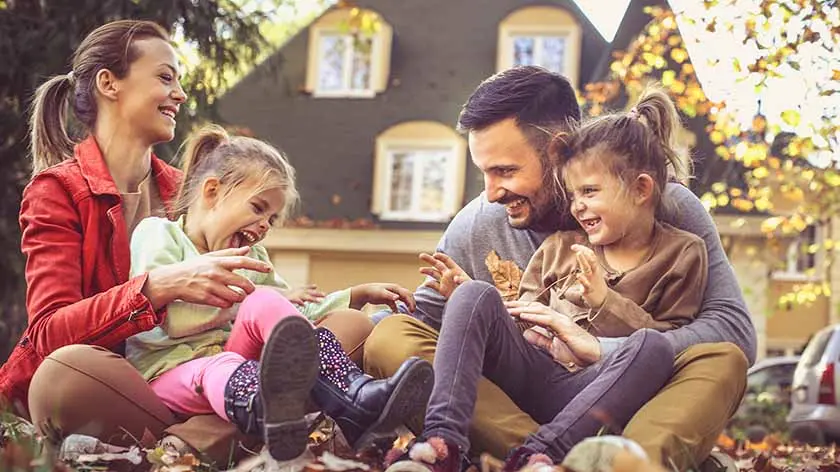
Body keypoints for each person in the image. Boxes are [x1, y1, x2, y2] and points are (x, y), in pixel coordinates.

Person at [0, 20, 372, 462]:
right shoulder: (58, 191)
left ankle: (185, 447)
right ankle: (220, 436)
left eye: (179, 81)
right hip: (125, 385)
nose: (180, 94)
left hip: (223, 369)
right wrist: (159, 286)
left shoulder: (193, 191)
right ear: (108, 84)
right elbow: (48, 334)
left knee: (351, 328)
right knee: (62, 373)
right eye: (165, 77)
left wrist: (341, 297)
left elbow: (262, 299)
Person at [364, 66, 755, 470]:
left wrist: (602, 349)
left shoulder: (661, 208)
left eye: (505, 171)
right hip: (521, 395)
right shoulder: (479, 222)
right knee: (390, 337)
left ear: (557, 150)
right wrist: (340, 331)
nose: (491, 192)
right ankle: (550, 459)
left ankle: (624, 462)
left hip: (624, 395)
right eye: (485, 172)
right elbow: (424, 321)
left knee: (722, 360)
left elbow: (733, 330)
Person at [125, 124, 433, 460]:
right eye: (258, 209)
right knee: (222, 362)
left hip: (241, 366)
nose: (263, 226)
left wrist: (354, 295)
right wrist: (238, 304)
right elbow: (172, 319)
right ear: (212, 191)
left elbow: (294, 318)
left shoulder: (252, 256)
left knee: (266, 300)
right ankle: (272, 413)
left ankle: (352, 396)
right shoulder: (160, 235)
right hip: (172, 371)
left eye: (271, 220)